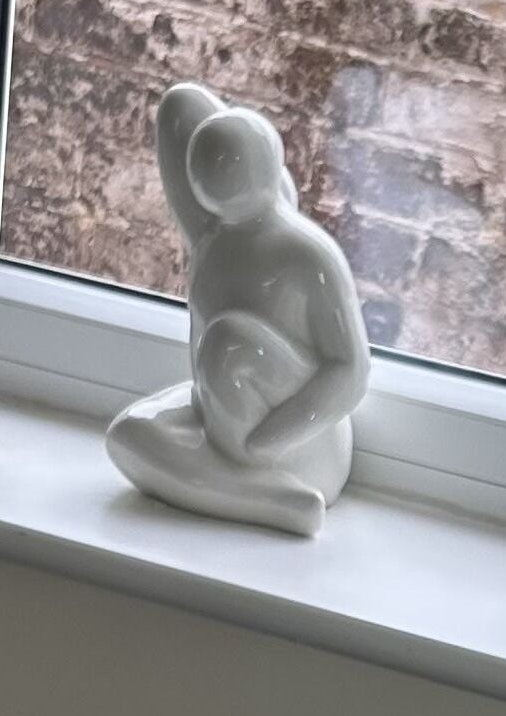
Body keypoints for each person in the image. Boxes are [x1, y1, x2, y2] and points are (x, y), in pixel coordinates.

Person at [104, 84, 369, 536]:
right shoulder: (211, 237)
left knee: (229, 343)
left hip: (300, 443)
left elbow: (351, 372)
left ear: (268, 175)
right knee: (127, 435)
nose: (209, 178)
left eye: (226, 168)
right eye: (202, 169)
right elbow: (180, 109)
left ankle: (246, 480)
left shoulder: (309, 255)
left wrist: (265, 443)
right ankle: (275, 502)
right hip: (218, 418)